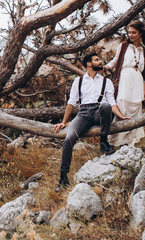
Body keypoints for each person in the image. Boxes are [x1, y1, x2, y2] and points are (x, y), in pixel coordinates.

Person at [53, 52, 129, 191]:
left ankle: (104, 142)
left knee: (105, 105)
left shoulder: (106, 82)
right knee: (69, 139)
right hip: (83, 113)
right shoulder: (79, 81)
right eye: (97, 60)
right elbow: (71, 102)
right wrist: (64, 121)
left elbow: (111, 102)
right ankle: (63, 178)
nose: (101, 62)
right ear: (89, 63)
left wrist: (121, 116)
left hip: (100, 112)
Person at [104, 19, 145, 147]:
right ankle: (117, 140)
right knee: (122, 104)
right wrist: (105, 68)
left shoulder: (144, 51)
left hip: (137, 80)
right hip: (125, 78)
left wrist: (144, 89)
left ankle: (130, 141)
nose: (130, 35)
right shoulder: (124, 46)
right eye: (129, 32)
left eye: (134, 32)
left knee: (136, 107)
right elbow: (115, 61)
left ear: (140, 33)